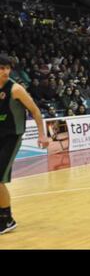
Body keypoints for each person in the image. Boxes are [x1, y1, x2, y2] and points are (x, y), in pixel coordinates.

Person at [0, 54, 49, 234]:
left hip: (12, 137)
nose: (5, 71)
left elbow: (35, 111)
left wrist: (42, 134)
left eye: (7, 68)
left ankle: (7, 219)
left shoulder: (16, 89)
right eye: (1, 68)